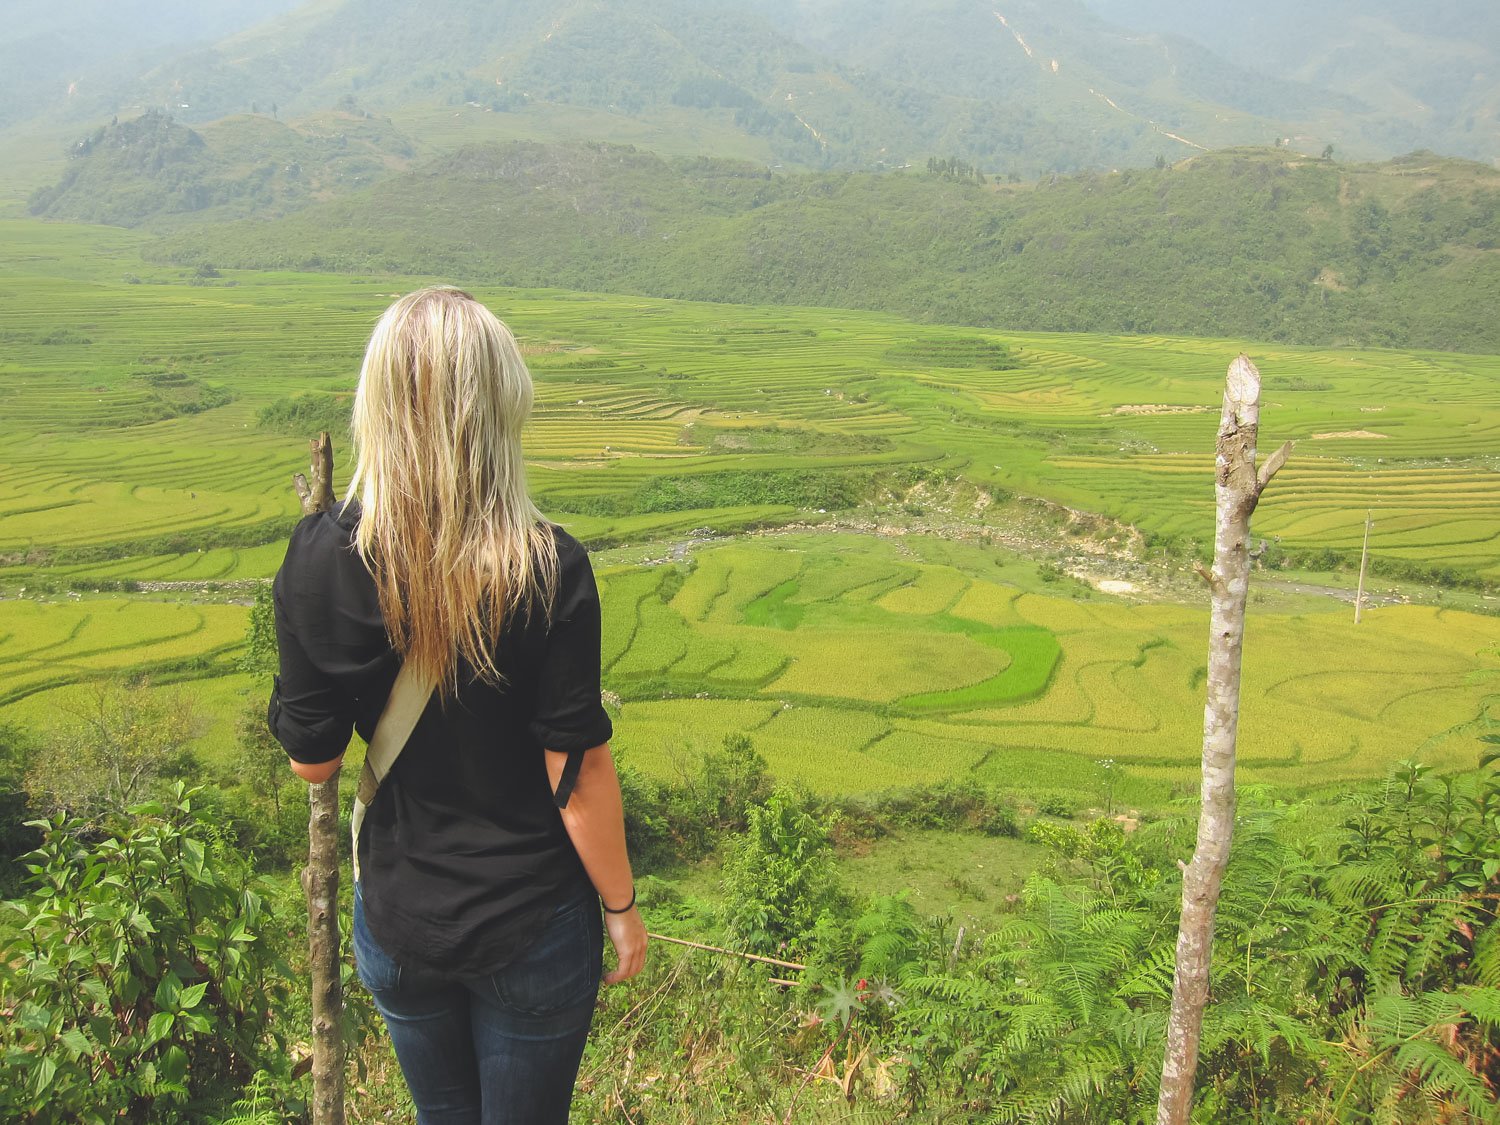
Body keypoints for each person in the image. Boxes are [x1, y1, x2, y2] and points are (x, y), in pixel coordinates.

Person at [267, 286, 646, 1123]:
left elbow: (313, 760)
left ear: (377, 406)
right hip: (532, 922)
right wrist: (621, 909)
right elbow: (575, 776)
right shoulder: (547, 567)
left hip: (401, 923)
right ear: (498, 408)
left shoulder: (319, 559)